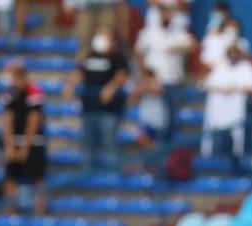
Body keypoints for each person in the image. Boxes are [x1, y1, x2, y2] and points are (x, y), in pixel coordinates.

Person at [64, 28, 129, 172]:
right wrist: (69, 87)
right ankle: (86, 171)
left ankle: (113, 173)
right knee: (87, 142)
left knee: (109, 141)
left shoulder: (118, 57)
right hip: (89, 106)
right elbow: (78, 72)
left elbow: (122, 75)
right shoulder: (89, 55)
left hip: (109, 109)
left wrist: (110, 88)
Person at [134, 6, 194, 142]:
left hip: (173, 82)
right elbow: (138, 52)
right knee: (152, 120)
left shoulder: (179, 33)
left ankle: (168, 156)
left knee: (172, 119)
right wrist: (145, 75)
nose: (166, 16)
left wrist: (177, 47)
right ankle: (155, 154)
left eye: (169, 14)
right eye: (163, 14)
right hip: (153, 84)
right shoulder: (148, 33)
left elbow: (193, 46)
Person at [200, 40, 252, 173]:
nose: (232, 56)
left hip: (241, 110)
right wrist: (223, 89)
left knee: (240, 136)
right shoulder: (220, 67)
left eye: (235, 53)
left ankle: (240, 160)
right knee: (223, 133)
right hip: (222, 110)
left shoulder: (247, 67)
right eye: (230, 54)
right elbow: (206, 84)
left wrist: (236, 88)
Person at [0, 59, 47, 216]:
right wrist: (10, 147)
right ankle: (11, 212)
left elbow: (33, 120)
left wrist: (25, 148)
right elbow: (8, 119)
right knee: (10, 177)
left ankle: (40, 211)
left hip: (33, 142)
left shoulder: (33, 91)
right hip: (15, 140)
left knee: (37, 177)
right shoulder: (10, 93)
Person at [127, 67, 165, 149]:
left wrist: (144, 88)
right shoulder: (141, 86)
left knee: (157, 145)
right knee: (140, 137)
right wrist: (139, 90)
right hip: (146, 121)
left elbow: (158, 90)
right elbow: (130, 102)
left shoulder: (159, 84)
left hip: (158, 122)